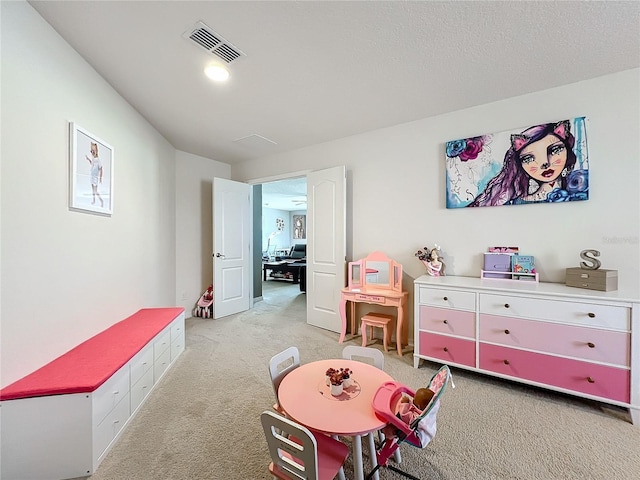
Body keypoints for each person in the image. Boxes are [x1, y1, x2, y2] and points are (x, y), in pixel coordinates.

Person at [468, 120, 587, 207]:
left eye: (555, 150)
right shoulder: (519, 201)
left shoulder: (580, 189)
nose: (545, 163)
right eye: (529, 158)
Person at [85, 142, 104, 207]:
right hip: (92, 176)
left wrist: (101, 178)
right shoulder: (93, 158)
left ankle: (101, 200)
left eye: (93, 151)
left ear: (96, 151)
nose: (92, 152)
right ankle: (94, 200)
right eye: (91, 151)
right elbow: (92, 164)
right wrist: (88, 159)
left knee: (95, 191)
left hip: (95, 177)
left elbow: (101, 168)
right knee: (92, 190)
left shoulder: (98, 160)